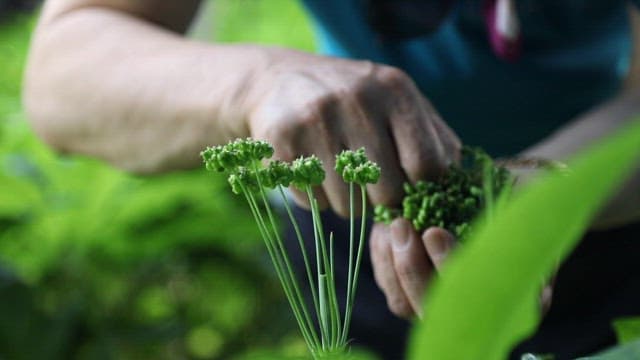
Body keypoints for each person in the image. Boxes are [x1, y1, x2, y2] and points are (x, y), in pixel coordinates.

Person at [23, 0, 640, 358]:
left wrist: (542, 191)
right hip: (352, 231)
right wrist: (255, 84)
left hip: (612, 212)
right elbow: (64, 74)